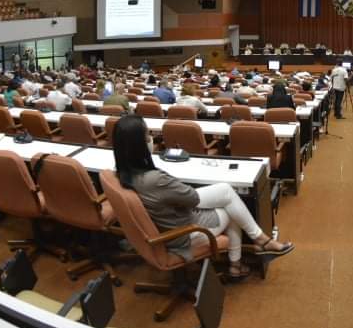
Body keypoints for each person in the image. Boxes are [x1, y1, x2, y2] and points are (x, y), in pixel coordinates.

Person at [112, 116, 293, 281]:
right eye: (147, 135)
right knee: (229, 200)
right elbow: (191, 198)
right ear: (139, 145)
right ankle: (256, 245)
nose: (150, 139)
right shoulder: (155, 180)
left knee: (228, 198)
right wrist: (173, 183)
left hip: (166, 226)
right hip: (183, 234)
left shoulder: (122, 174)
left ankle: (239, 262)